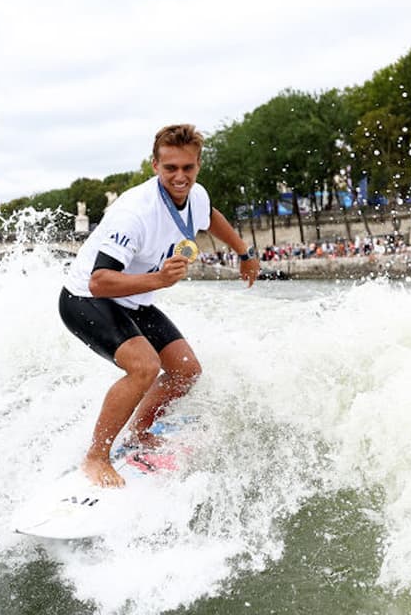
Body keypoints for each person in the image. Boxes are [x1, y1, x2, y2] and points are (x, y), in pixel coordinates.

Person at [58, 123, 260, 487]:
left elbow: (210, 216)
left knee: (186, 370)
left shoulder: (195, 196)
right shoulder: (134, 212)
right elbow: (99, 280)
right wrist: (160, 280)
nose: (180, 177)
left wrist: (244, 252)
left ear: (198, 166)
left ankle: (138, 433)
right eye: (170, 168)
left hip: (132, 299)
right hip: (85, 299)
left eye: (188, 168)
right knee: (144, 367)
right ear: (155, 166)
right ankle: (96, 457)